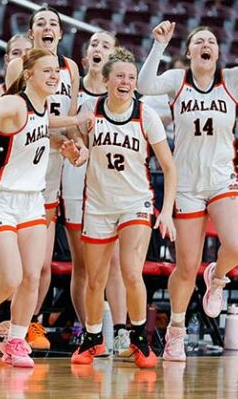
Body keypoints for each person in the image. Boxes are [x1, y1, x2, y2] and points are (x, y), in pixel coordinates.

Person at [138, 14, 238, 361]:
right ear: (188, 53)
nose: (206, 46)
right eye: (199, 42)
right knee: (186, 268)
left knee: (236, 243)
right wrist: (159, 43)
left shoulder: (230, 80)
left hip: (221, 178)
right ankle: (175, 330)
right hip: (186, 184)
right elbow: (144, 85)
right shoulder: (177, 80)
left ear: (218, 53)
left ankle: (217, 277)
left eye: (211, 42)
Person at [0, 48, 88, 368]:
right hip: (0, 200)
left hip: (32, 200)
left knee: (32, 276)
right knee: (10, 277)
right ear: (28, 75)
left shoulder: (42, 109)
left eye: (56, 71)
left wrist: (69, 145)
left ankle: (16, 338)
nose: (54, 75)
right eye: (46, 70)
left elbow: (46, 124)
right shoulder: (15, 102)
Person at [70, 47, 177, 368]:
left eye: (131, 77)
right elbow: (81, 152)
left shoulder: (146, 115)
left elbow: (169, 168)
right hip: (99, 204)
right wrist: (75, 152)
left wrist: (167, 211)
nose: (126, 81)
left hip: (136, 202)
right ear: (106, 81)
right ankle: (91, 338)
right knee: (95, 278)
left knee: (131, 272)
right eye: (120, 76)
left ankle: (138, 339)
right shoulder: (89, 111)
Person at [4, 7, 83, 351]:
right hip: (21, 166)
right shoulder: (18, 67)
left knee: (42, 265)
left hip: (52, 172)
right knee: (16, 266)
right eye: (41, 22)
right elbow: (13, 119)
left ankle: (28, 325)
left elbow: (69, 119)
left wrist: (77, 143)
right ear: (32, 31)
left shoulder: (71, 69)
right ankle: (4, 323)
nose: (47, 27)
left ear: (61, 34)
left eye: (54, 23)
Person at [59, 31, 130, 354]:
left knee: (113, 264)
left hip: (110, 184)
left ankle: (121, 332)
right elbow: (68, 125)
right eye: (94, 44)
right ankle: (88, 329)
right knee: (84, 265)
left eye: (105, 44)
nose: (98, 47)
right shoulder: (76, 87)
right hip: (77, 179)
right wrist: (78, 138)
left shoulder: (125, 92)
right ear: (87, 57)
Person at [0, 34, 31, 102]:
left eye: (28, 52)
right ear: (7, 60)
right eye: (16, 53)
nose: (23, 56)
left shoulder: (44, 90)